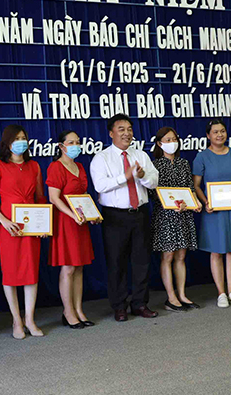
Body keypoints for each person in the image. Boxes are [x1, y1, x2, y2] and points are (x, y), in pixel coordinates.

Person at [90, 113, 159, 321]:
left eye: (129, 129)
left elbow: (154, 181)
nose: (127, 133)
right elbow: (100, 186)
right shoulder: (101, 158)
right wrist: (125, 177)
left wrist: (142, 176)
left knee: (142, 261)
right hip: (115, 217)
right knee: (116, 262)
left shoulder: (141, 155)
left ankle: (139, 303)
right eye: (121, 129)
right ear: (111, 133)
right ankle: (119, 306)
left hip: (139, 214)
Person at [0, 125, 46, 339]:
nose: (21, 141)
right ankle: (16, 320)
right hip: (9, 228)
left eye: (24, 138)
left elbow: (40, 198)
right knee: (10, 274)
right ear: (7, 143)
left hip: (31, 228)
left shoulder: (35, 166)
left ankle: (30, 318)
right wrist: (3, 221)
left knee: (31, 273)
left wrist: (43, 225)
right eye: (17, 138)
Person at [193, 119, 231, 308]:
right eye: (215, 132)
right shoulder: (202, 157)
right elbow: (196, 185)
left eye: (223, 131)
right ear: (208, 135)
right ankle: (221, 293)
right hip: (214, 211)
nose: (220, 135)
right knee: (216, 251)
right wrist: (206, 202)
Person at [46, 130, 96, 328]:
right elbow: (54, 198)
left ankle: (78, 309)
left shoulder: (80, 166)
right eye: (71, 142)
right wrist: (72, 215)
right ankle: (68, 312)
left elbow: (83, 196)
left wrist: (91, 215)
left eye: (78, 142)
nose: (75, 145)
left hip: (81, 221)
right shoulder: (55, 167)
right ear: (61, 146)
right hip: (66, 221)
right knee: (68, 268)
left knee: (79, 267)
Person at [150, 126, 202, 312]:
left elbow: (189, 188)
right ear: (159, 143)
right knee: (168, 255)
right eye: (167, 140)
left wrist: (194, 202)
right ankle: (170, 297)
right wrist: (172, 202)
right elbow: (153, 192)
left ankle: (182, 294)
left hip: (184, 215)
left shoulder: (183, 163)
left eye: (174, 139)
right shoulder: (154, 165)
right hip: (165, 216)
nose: (172, 143)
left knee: (181, 255)